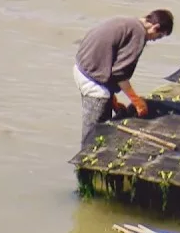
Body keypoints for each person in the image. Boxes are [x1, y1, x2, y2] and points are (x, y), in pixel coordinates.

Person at [73, 9, 174, 147]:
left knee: (102, 120)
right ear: (155, 28)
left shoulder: (128, 22)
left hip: (81, 68)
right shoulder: (139, 34)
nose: (154, 40)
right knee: (95, 132)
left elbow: (111, 58)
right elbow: (120, 73)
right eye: (158, 36)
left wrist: (112, 99)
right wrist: (136, 101)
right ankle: (86, 160)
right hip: (93, 81)